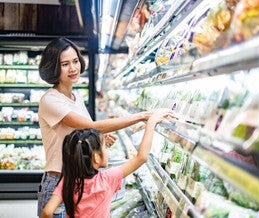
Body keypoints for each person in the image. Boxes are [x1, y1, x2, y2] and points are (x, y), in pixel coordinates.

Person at [37, 37, 169, 217]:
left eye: (75, 61)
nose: (73, 68)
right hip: (59, 180)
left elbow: (83, 133)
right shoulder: (50, 100)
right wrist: (142, 116)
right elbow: (91, 126)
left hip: (78, 179)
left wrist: (97, 142)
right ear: (53, 67)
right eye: (65, 64)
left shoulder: (76, 96)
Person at [41, 109, 172, 218]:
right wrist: (151, 123)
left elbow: (47, 212)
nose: (107, 150)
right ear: (96, 158)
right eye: (105, 147)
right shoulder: (107, 179)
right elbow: (141, 157)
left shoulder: (68, 181)